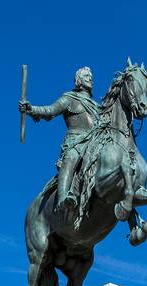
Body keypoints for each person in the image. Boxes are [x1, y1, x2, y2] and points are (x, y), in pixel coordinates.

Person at [20, 67, 99, 215]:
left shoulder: (97, 107)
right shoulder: (69, 98)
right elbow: (50, 110)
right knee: (71, 158)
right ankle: (63, 198)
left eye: (91, 76)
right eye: (87, 76)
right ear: (79, 80)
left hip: (95, 142)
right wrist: (31, 109)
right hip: (76, 141)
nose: (90, 78)